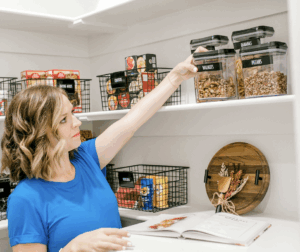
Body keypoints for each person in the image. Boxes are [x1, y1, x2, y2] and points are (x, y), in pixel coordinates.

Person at [0, 46, 207, 252]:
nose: (77, 123)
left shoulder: (86, 158)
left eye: (72, 113)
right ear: (38, 133)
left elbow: (132, 121)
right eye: (64, 119)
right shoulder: (24, 199)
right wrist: (70, 249)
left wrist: (174, 78)